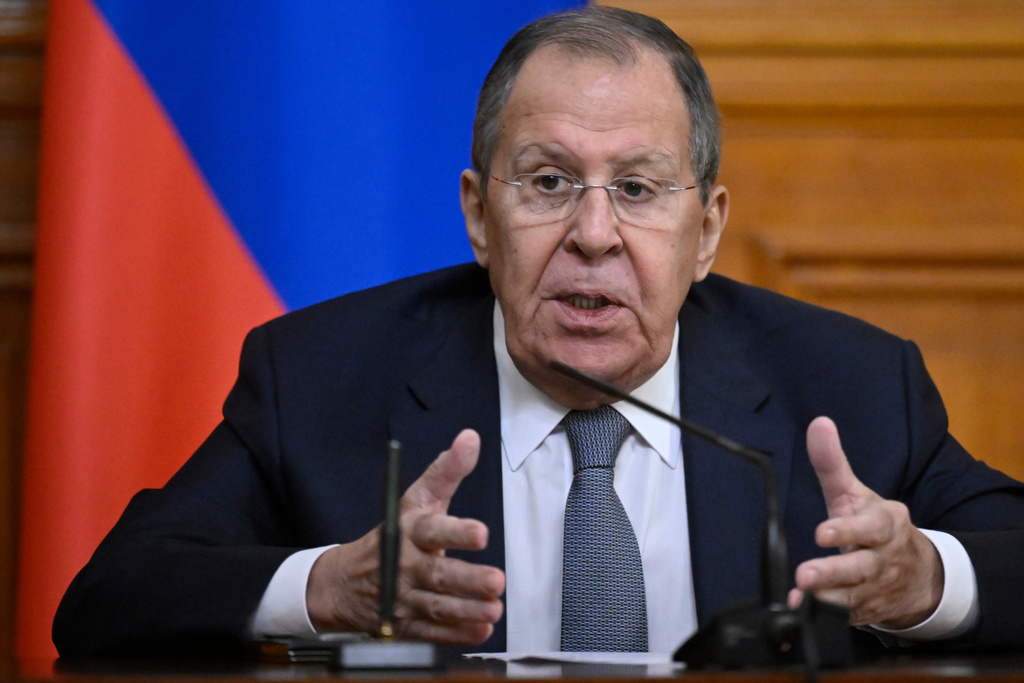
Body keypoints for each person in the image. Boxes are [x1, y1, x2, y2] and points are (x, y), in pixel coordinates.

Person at [53, 6, 1024, 659]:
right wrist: (325, 586)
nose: (592, 235)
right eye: (549, 182)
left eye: (637, 189)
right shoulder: (321, 375)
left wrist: (925, 576)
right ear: (479, 215)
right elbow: (108, 598)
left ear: (709, 229)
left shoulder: (844, 381)